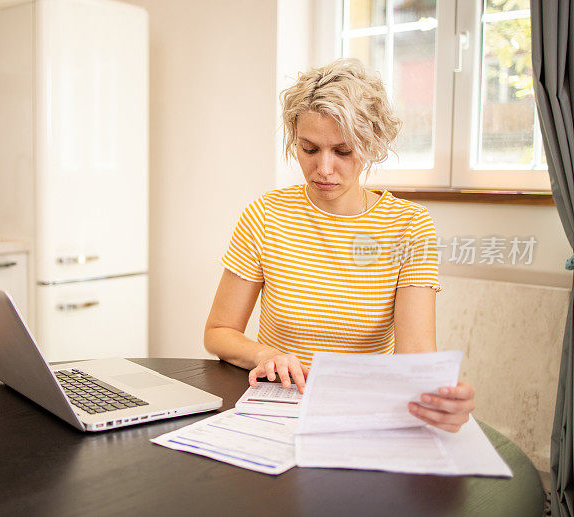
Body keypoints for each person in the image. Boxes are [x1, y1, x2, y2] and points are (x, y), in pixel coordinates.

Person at [203, 58, 474, 433]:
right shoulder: (266, 214)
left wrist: (439, 401)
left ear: (373, 144)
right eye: (309, 149)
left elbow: (415, 360)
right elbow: (218, 332)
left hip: (360, 412)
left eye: (343, 152)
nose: (324, 169)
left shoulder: (409, 226)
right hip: (275, 407)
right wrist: (266, 355)